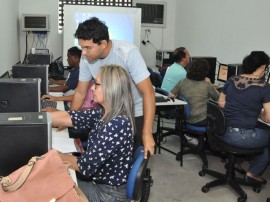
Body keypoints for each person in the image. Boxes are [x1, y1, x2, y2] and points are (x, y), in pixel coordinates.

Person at [69, 17, 155, 157]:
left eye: (88, 48)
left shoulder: (127, 53)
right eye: (82, 48)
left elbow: (148, 92)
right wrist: (70, 118)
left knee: (132, 155)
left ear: (103, 43)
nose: (83, 53)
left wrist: (147, 132)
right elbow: (80, 92)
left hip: (134, 112)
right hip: (109, 111)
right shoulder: (86, 58)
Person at [51, 65, 134, 201]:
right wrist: (35, 118)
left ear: (111, 89)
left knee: (53, 186)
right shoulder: (103, 112)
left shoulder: (117, 124)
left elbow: (84, 166)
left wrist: (54, 154)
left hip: (108, 193)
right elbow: (71, 117)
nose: (92, 88)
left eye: (97, 84)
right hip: (98, 182)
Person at [218, 51, 270, 184]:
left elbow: (221, 103)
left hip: (222, 132)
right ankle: (253, 173)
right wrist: (259, 113)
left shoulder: (231, 80)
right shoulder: (264, 87)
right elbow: (268, 118)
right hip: (241, 137)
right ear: (263, 67)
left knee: (257, 131)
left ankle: (236, 162)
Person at [169, 58, 220, 126]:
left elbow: (171, 95)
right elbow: (219, 99)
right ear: (205, 71)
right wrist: (211, 84)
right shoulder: (207, 85)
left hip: (184, 117)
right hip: (200, 119)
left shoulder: (183, 81)